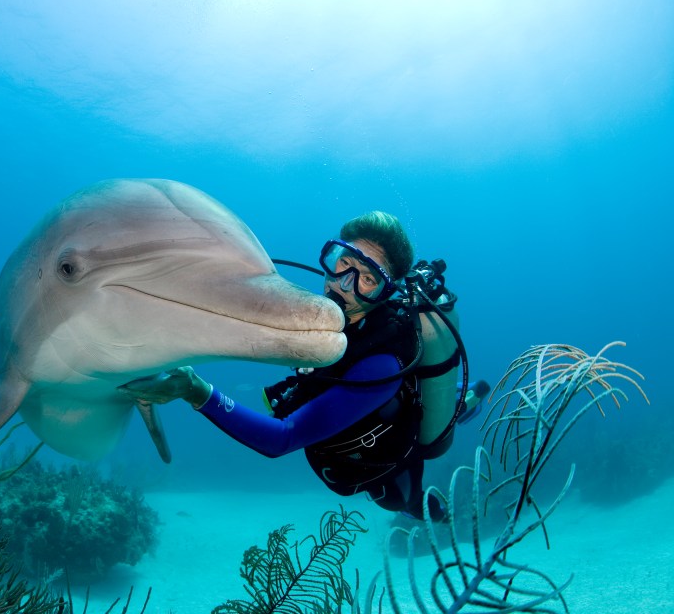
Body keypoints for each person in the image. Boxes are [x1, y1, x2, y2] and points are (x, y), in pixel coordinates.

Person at [118, 211, 488, 520]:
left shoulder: (381, 366)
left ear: (384, 293)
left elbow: (282, 438)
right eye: (342, 263)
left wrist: (196, 390)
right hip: (365, 418)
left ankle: (461, 416)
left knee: (402, 500)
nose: (344, 285)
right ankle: (463, 398)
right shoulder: (331, 313)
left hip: (384, 464)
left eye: (368, 279)